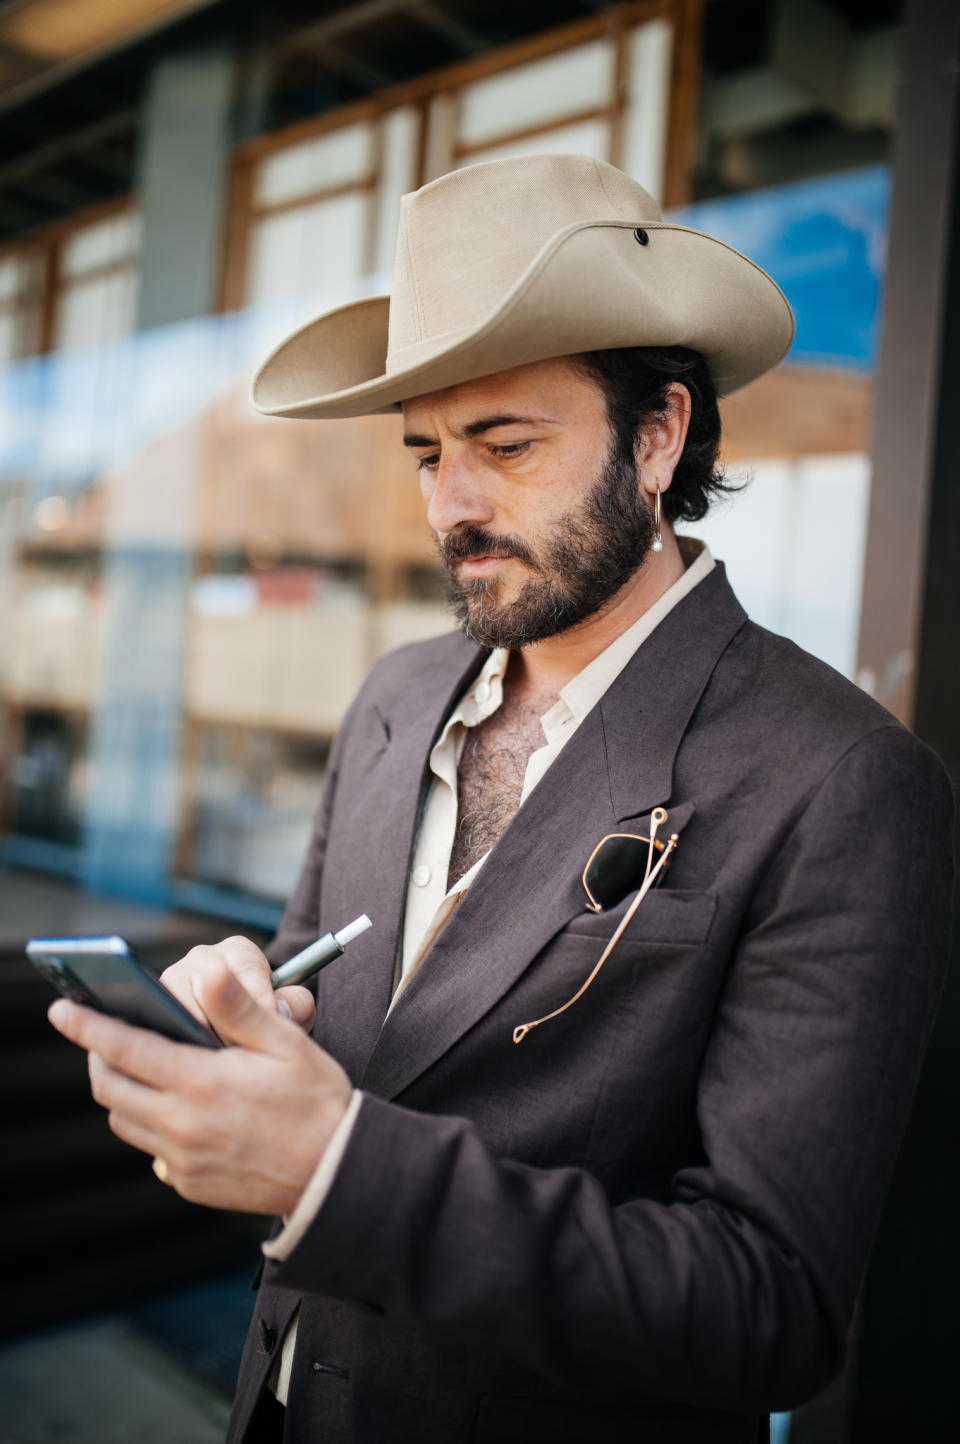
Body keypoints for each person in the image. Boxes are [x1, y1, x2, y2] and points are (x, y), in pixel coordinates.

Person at [48, 155, 953, 1444]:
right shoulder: (395, 696)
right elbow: (345, 1044)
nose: (451, 504)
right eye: (425, 452)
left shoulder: (842, 780)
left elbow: (771, 1305)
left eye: (506, 444)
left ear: (658, 436)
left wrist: (334, 1173)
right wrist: (247, 1034)